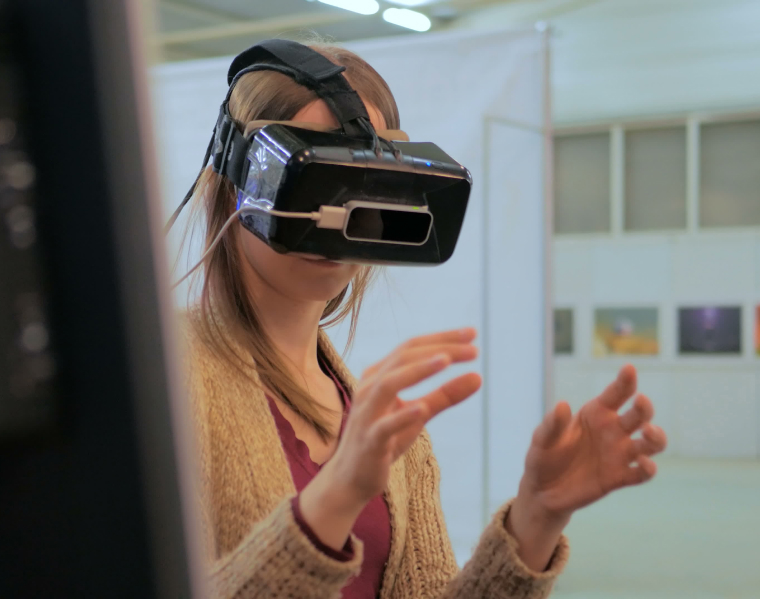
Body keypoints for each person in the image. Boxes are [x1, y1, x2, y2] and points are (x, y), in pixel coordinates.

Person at [179, 41, 668, 599]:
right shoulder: (158, 384)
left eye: (361, 184)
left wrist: (535, 520)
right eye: (309, 175)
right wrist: (331, 502)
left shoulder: (394, 436)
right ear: (231, 181)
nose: (336, 216)